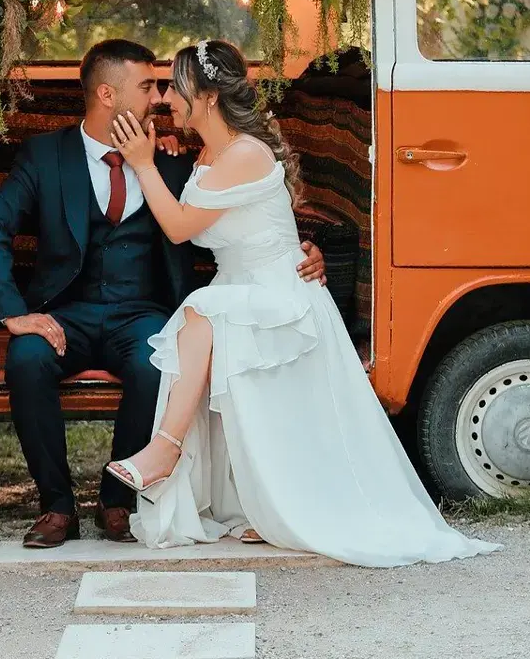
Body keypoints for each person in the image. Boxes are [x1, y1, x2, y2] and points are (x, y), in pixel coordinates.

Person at [105, 39, 502, 567]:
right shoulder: (209, 151)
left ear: (204, 95)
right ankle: (232, 489)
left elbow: (179, 228)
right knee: (202, 313)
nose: (165, 100)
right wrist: (159, 158)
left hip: (277, 292)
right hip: (245, 283)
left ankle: (165, 450)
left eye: (174, 88)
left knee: (201, 312)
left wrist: (142, 164)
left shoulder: (245, 153)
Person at [0, 39, 326, 548]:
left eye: (164, 87)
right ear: (108, 94)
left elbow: (251, 214)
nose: (160, 97)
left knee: (157, 362)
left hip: (142, 313)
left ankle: (118, 501)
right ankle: (56, 506)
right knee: (25, 359)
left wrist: (302, 253)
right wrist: (12, 315)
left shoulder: (175, 160)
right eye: (147, 86)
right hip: (65, 313)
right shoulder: (46, 155)